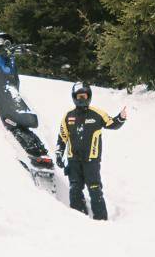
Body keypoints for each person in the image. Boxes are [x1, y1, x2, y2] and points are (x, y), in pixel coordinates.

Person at [55, 82, 128, 220]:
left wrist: (121, 117)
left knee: (94, 189)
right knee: (75, 189)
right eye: (79, 96)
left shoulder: (97, 114)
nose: (81, 99)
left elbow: (112, 123)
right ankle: (78, 218)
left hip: (91, 161)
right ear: (74, 97)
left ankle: (101, 220)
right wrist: (59, 153)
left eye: (84, 96)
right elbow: (62, 137)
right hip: (73, 160)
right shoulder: (68, 116)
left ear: (89, 96)